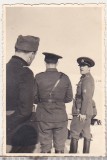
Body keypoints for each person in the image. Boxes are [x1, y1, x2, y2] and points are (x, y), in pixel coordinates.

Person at [6, 35, 40, 153]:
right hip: (15, 134)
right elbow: (25, 110)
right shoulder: (25, 73)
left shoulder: (4, 68)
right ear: (31, 54)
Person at [34, 52, 73, 153]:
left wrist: (43, 101)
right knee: (60, 147)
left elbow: (34, 98)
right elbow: (69, 98)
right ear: (57, 63)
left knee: (45, 147)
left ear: (45, 62)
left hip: (43, 118)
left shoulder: (38, 77)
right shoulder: (65, 77)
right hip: (60, 117)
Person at [69, 57, 95, 154]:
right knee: (86, 133)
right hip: (86, 111)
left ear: (89, 68)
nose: (81, 68)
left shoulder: (87, 80)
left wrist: (82, 112)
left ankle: (72, 156)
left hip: (81, 111)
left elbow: (86, 96)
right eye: (80, 66)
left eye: (84, 66)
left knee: (75, 134)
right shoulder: (85, 78)